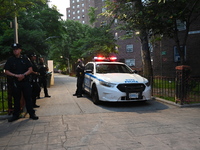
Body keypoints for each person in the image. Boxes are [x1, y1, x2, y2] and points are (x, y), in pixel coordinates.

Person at [4, 43, 39, 122]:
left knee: (28, 98)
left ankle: (31, 113)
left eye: (17, 49)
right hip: (16, 82)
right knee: (16, 99)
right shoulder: (10, 60)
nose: (15, 51)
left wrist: (23, 75)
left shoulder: (25, 59)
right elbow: (6, 71)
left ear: (20, 50)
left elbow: (30, 69)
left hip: (25, 81)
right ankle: (16, 115)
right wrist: (16, 75)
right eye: (14, 49)